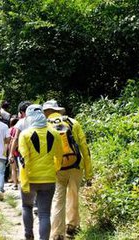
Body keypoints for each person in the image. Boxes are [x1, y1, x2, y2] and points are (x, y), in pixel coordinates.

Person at [43, 100, 93, 240]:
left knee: (58, 199)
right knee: (73, 195)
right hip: (76, 165)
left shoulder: (45, 125)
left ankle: (57, 233)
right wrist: (89, 174)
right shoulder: (72, 122)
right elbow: (84, 147)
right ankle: (72, 227)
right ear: (59, 110)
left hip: (57, 168)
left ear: (46, 112)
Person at [19, 104, 63, 240]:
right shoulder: (55, 134)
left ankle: (28, 233)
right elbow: (59, 156)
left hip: (30, 178)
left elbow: (24, 158)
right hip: (48, 179)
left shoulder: (25, 134)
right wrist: (54, 169)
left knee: (27, 206)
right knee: (44, 214)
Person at [8, 116, 19, 190]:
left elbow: (8, 141)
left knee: (13, 168)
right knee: (21, 168)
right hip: (20, 150)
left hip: (12, 150)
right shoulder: (20, 129)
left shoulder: (9, 130)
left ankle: (15, 184)